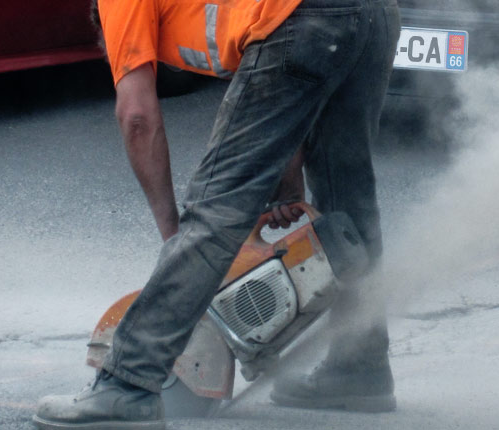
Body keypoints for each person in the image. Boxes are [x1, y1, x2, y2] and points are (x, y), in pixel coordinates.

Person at [32, 0, 401, 428]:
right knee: (347, 193)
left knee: (216, 206)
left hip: (306, 18)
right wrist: (287, 178)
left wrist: (177, 233)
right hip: (371, 14)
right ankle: (359, 365)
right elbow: (279, 89)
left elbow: (136, 117)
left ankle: (128, 382)